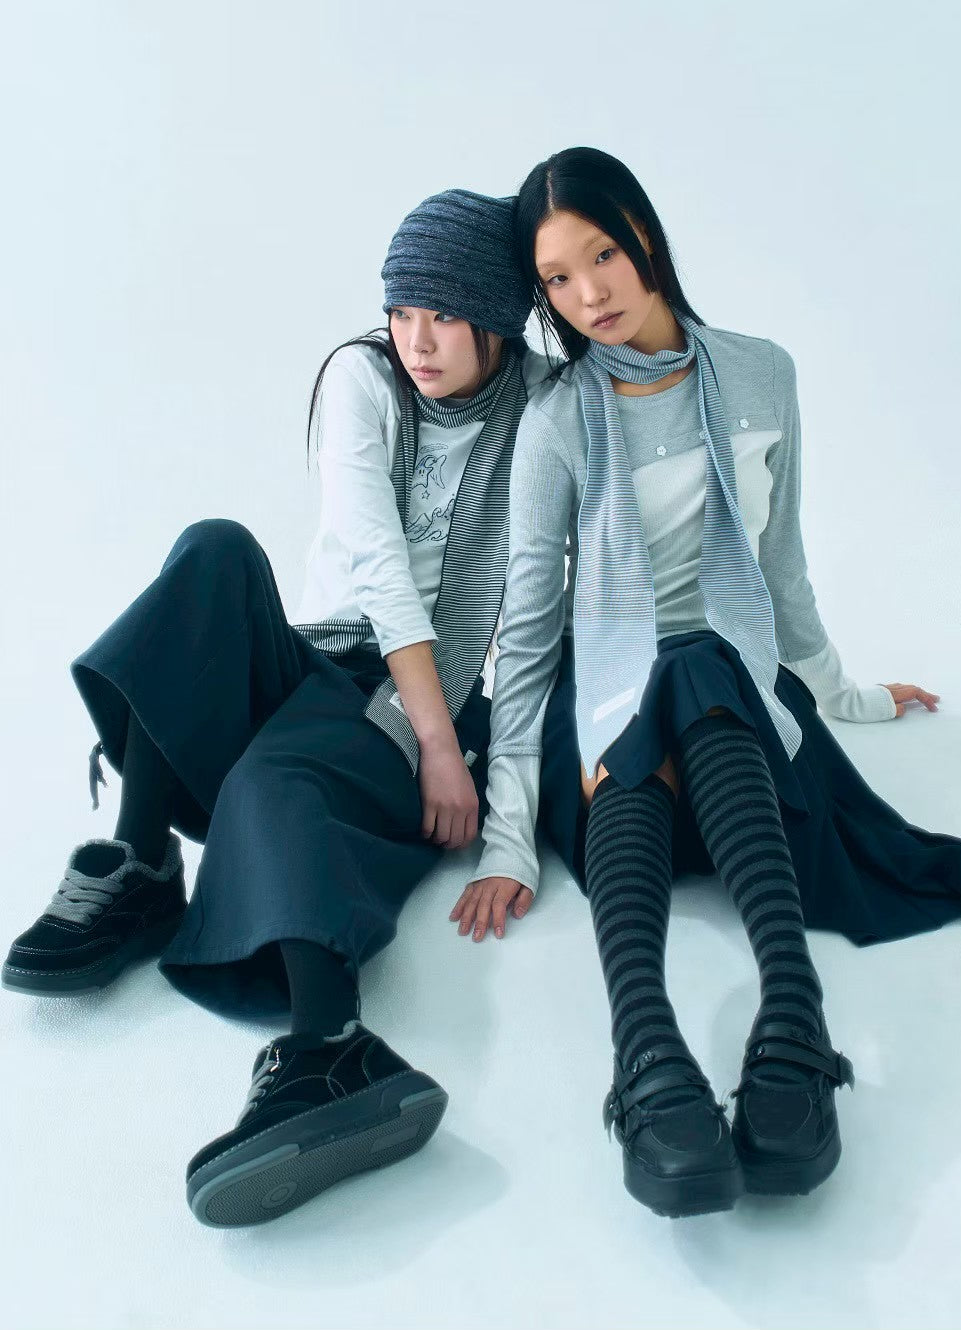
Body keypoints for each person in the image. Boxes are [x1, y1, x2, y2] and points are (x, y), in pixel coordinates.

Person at [450, 147, 961, 1219]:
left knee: (702, 658)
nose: (587, 294)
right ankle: (644, 1045)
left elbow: (779, 566)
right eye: (556, 278)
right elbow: (529, 630)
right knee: (678, 667)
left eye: (601, 255)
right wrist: (510, 831)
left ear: (645, 237)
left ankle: (791, 1011)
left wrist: (843, 693)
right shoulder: (557, 420)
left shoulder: (760, 374)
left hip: (733, 717)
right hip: (606, 719)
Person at [3, 188, 554, 1228]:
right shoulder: (360, 376)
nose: (417, 341)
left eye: (444, 316)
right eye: (401, 312)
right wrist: (438, 743)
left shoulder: (544, 408)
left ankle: (332, 1047)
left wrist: (446, 745)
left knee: (277, 775)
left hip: (414, 697)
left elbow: (535, 613)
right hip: (323, 653)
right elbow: (373, 562)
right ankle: (142, 866)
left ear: (495, 315)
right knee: (214, 551)